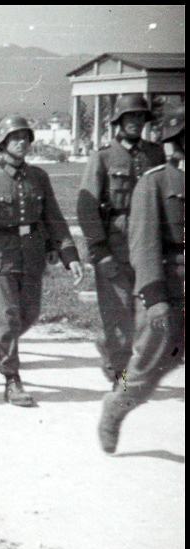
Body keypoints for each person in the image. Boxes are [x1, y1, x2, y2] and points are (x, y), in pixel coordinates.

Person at [0, 115, 84, 407]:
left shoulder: (38, 177)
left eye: (26, 137)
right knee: (6, 319)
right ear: (2, 144)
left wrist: (69, 255)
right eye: (16, 138)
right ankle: (12, 380)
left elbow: (53, 217)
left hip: (31, 255)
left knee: (29, 314)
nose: (22, 142)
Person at [98, 104, 184, 453]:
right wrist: (154, 295)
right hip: (168, 290)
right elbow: (144, 244)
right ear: (176, 143)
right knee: (147, 369)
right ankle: (115, 406)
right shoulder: (156, 182)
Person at [77, 94, 165, 385]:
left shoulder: (155, 155)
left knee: (145, 315)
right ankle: (122, 377)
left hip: (149, 245)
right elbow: (86, 208)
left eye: (140, 117)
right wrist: (99, 251)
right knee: (117, 316)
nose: (135, 123)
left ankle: (118, 356)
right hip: (115, 245)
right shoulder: (102, 157)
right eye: (129, 118)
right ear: (118, 122)